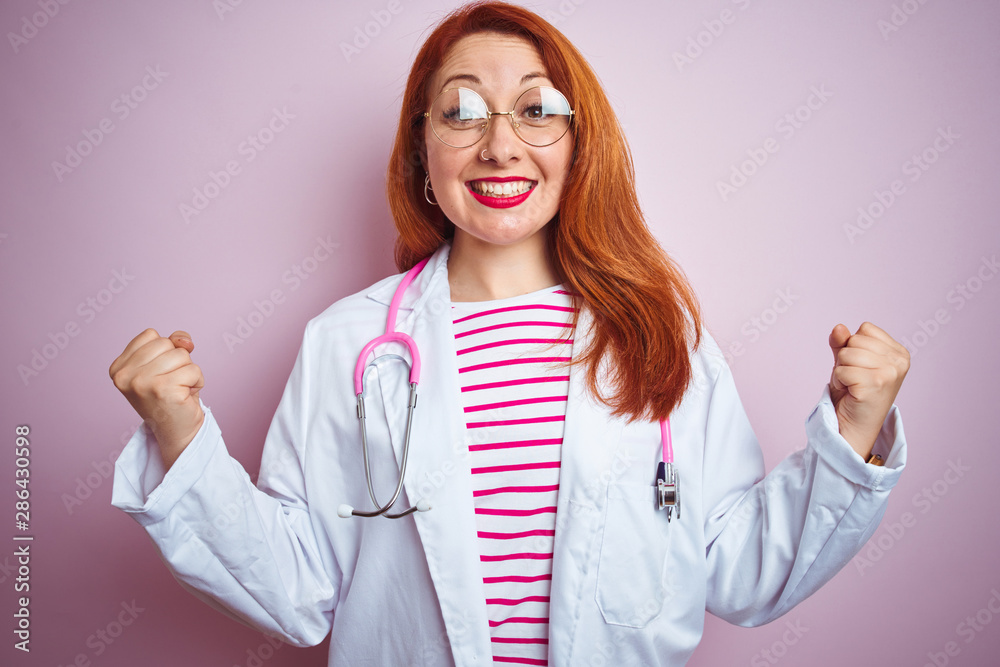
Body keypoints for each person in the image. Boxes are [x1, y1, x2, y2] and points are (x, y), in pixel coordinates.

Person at [109, 2, 910, 665]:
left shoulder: (657, 334)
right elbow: (295, 588)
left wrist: (855, 432)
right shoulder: (347, 344)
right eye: (459, 111)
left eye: (536, 110)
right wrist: (182, 439)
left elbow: (742, 571)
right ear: (423, 151)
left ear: (576, 143)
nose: (499, 142)